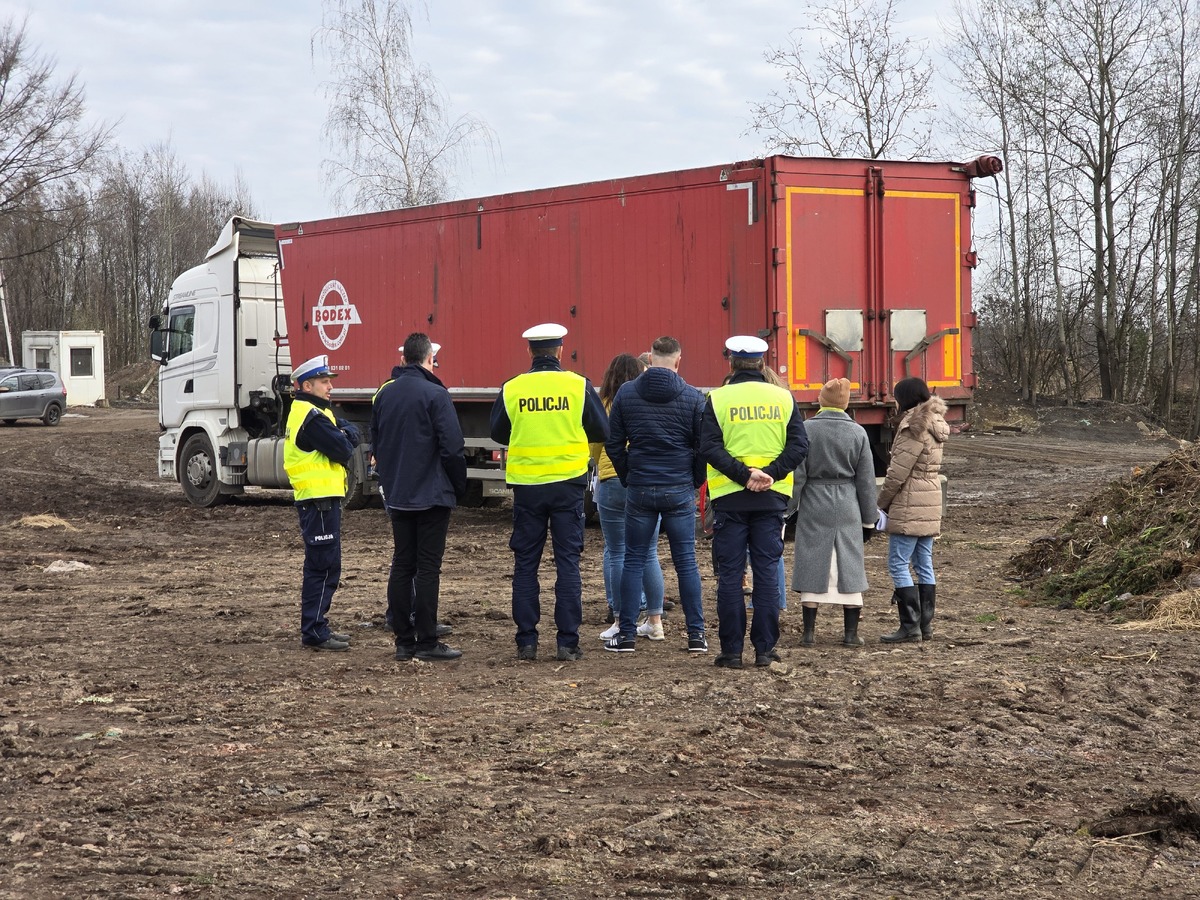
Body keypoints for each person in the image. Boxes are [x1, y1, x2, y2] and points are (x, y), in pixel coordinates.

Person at [490, 322, 609, 662]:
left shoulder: (513, 387)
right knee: (567, 564)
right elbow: (601, 428)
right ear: (560, 351)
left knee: (525, 564)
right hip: (568, 486)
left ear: (530, 352)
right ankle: (567, 643)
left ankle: (526, 642)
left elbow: (498, 432)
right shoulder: (577, 385)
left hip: (527, 488)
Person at [702, 336, 808, 669]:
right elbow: (799, 446)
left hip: (730, 500)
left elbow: (709, 447)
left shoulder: (717, 399)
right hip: (771, 500)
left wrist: (742, 475)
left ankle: (731, 652)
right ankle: (765, 650)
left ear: (731, 363)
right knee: (766, 575)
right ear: (762, 364)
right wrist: (769, 475)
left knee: (731, 576)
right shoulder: (784, 398)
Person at [604, 336, 708, 654]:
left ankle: (626, 637)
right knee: (686, 562)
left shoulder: (627, 393)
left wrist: (628, 475)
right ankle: (696, 636)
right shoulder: (693, 397)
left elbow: (613, 443)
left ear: (650, 357)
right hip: (678, 489)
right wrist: (692, 480)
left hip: (640, 487)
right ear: (678, 360)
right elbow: (702, 447)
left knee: (633, 559)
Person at [371, 333, 467, 662]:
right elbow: (453, 448)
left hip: (398, 495)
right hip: (432, 495)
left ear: (403, 358)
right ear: (428, 359)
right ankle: (427, 641)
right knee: (427, 569)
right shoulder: (436, 394)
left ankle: (403, 641)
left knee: (402, 565)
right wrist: (458, 485)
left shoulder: (385, 395)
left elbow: (378, 443)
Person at [790, 377, 878, 647]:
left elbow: (799, 475)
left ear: (821, 401)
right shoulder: (858, 433)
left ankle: (808, 634)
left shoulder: (806, 429)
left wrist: (789, 508)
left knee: (811, 559)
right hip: (848, 502)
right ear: (846, 403)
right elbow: (866, 480)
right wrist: (869, 520)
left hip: (815, 501)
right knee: (849, 562)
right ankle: (850, 634)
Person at [283, 354, 360, 652]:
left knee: (326, 565)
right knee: (323, 567)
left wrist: (344, 433)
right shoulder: (311, 418)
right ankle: (314, 630)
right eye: (324, 382)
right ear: (306, 385)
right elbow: (343, 447)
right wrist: (344, 435)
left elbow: (349, 431)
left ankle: (317, 626)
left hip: (321, 501)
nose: (330, 387)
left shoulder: (314, 412)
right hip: (318, 502)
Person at [590, 353, 666, 640]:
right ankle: (655, 621)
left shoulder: (604, 404)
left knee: (616, 551)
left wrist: (601, 464)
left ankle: (622, 621)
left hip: (612, 481)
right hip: (646, 481)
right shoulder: (647, 402)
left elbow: (595, 447)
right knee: (648, 552)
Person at [878, 376, 949, 643]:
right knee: (923, 562)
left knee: (898, 563)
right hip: (930, 497)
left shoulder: (913, 426)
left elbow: (897, 473)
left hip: (910, 500)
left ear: (904, 398)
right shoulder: (936, 422)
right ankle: (925, 625)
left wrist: (881, 502)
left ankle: (910, 625)